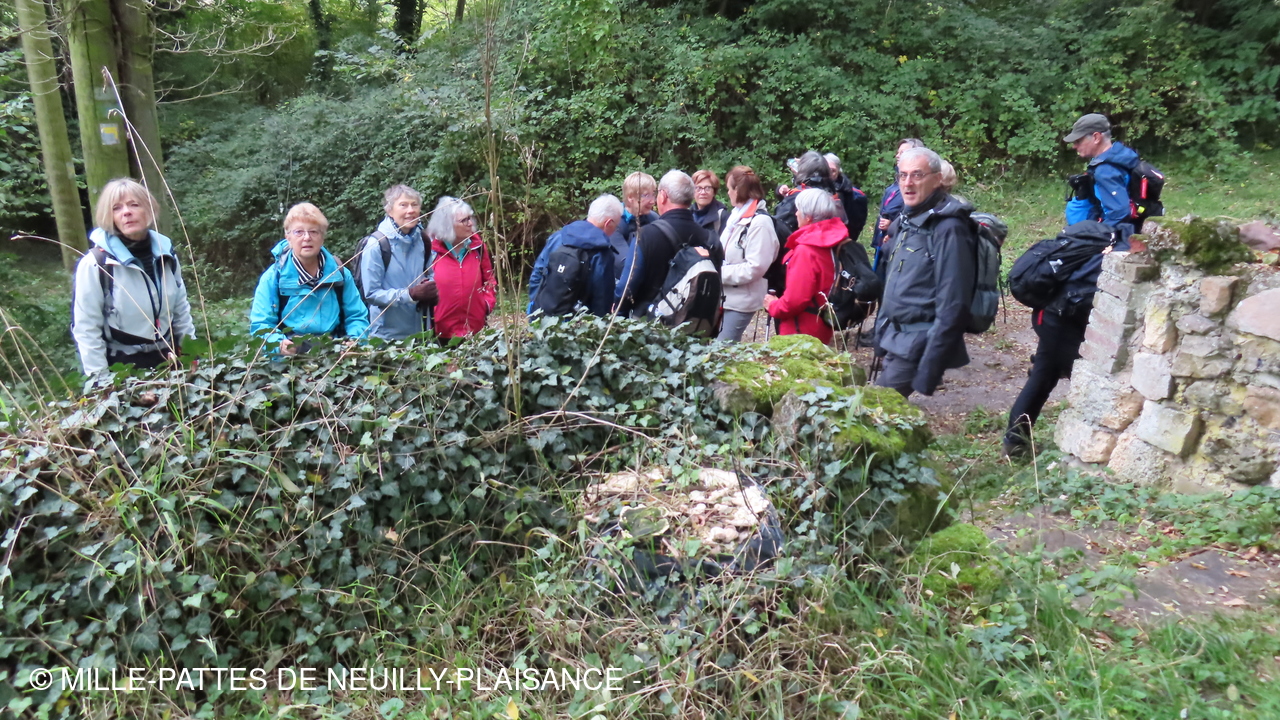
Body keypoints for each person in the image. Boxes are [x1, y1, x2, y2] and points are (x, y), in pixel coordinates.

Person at [1003, 221, 1131, 458]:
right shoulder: (1117, 254)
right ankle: (1086, 445)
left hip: (1049, 315)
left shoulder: (1105, 246)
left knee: (1044, 376)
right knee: (1081, 378)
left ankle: (1015, 443)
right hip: (1058, 321)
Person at [874, 147, 977, 398]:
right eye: (903, 175)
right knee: (882, 412)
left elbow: (954, 303)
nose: (908, 183)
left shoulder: (950, 229)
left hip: (918, 342)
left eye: (917, 175)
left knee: (872, 409)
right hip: (895, 336)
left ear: (938, 179)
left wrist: (931, 368)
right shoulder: (909, 220)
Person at [72, 178, 195, 375]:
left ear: (149, 209)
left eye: (134, 204)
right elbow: (87, 329)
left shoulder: (166, 254)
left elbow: (180, 309)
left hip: (169, 363)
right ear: (109, 216)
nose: (126, 212)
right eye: (116, 208)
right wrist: (101, 382)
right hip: (122, 370)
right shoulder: (96, 263)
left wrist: (191, 354)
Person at [250, 202, 370, 354]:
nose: (307, 238)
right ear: (288, 237)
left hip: (334, 355)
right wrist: (279, 344)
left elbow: (357, 316)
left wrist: (354, 340)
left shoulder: (339, 274)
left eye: (313, 232)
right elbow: (261, 325)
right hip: (288, 360)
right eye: (298, 232)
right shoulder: (273, 278)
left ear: (322, 237)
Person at [614, 170, 721, 317]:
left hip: (651, 324)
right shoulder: (711, 239)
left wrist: (619, 313)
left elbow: (627, 287)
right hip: (696, 325)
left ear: (663, 196)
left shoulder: (646, 236)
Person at [762, 188, 847, 345]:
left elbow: (794, 301)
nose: (795, 214)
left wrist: (773, 305)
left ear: (808, 217)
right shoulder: (831, 240)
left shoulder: (807, 250)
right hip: (821, 323)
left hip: (801, 330)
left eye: (798, 210)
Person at [360, 184, 438, 340]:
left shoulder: (423, 240)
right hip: (387, 337)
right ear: (390, 211)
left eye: (414, 205)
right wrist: (410, 295)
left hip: (421, 333)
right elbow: (371, 294)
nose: (410, 210)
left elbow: (431, 273)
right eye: (403, 205)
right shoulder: (377, 245)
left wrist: (430, 289)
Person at [527, 194, 624, 317]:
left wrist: (535, 309)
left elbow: (537, 274)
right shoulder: (602, 252)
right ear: (608, 223)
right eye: (616, 226)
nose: (615, 231)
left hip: (542, 316)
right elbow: (602, 299)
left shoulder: (559, 236)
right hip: (577, 323)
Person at [718, 166, 779, 342]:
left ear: (738, 190)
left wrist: (719, 273)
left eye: (729, 188)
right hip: (725, 296)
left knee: (721, 349)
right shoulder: (735, 217)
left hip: (742, 300)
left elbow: (755, 267)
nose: (728, 192)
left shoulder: (760, 223)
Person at [425, 196, 497, 340]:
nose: (470, 223)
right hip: (439, 333)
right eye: (464, 220)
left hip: (474, 330)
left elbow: (489, 280)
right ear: (447, 225)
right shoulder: (430, 251)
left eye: (470, 218)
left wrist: (486, 305)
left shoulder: (477, 247)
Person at [1063, 113, 1139, 235]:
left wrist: (1095, 236)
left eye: (1078, 141)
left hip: (1116, 235)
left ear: (1096, 137)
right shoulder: (1119, 156)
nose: (1074, 146)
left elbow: (1119, 213)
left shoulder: (1105, 170)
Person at [872, 138, 925, 253]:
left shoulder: (918, 186)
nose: (897, 156)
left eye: (902, 152)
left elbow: (913, 216)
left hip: (899, 244)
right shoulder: (896, 183)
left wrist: (893, 226)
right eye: (898, 152)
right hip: (883, 241)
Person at [608, 172, 659, 279]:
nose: (653, 201)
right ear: (631, 197)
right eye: (646, 195)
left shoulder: (654, 218)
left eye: (653, 194)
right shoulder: (615, 222)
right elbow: (626, 265)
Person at [824, 152, 869, 243]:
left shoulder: (851, 193)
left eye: (832, 170)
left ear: (838, 171)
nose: (829, 174)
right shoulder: (814, 187)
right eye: (826, 170)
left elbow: (856, 224)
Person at [691, 169, 731, 237]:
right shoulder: (688, 215)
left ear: (714, 192)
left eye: (707, 188)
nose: (703, 192)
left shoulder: (722, 216)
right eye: (698, 188)